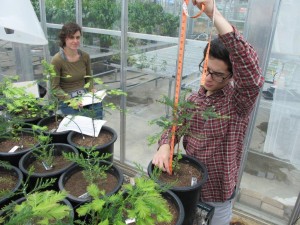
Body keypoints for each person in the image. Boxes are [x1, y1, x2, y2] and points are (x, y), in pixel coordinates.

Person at [152, 0, 264, 224]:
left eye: (218, 74)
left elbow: (251, 73)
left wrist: (213, 13)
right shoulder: (194, 99)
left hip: (217, 194)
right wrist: (165, 145)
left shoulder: (238, 103)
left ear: (232, 75)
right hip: (188, 181)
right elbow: (174, 125)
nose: (208, 78)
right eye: (205, 69)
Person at [51, 22, 103, 119]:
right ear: (64, 39)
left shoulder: (85, 56)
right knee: (82, 119)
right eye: (71, 37)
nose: (75, 41)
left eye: (78, 37)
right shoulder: (57, 60)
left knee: (97, 114)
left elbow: (88, 78)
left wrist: (91, 89)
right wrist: (70, 100)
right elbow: (55, 88)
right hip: (67, 98)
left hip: (85, 96)